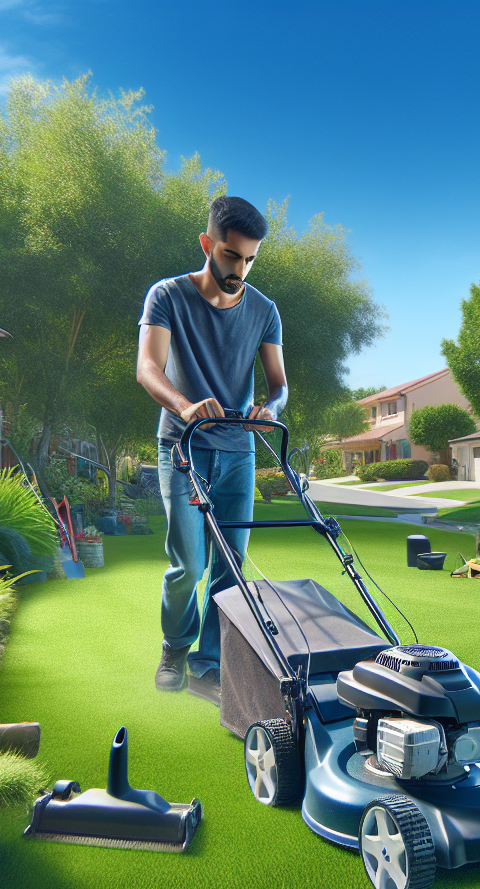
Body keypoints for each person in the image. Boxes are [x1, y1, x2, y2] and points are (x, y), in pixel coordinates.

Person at [136, 196, 287, 705]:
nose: (239, 269)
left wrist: (270, 409)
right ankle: (175, 647)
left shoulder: (264, 311)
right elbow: (148, 368)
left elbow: (279, 384)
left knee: (231, 562)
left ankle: (208, 663)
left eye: (249, 259)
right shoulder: (168, 296)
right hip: (182, 446)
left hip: (237, 451)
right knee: (189, 562)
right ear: (207, 244)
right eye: (230, 256)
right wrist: (183, 404)